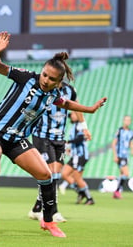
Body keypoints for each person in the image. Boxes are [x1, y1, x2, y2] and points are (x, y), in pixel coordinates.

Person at [0, 31, 106, 238]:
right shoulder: (26, 77)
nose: (46, 80)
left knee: (45, 175)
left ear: (59, 82)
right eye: (44, 75)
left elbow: (66, 103)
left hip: (17, 139)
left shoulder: (53, 94)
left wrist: (90, 109)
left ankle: (48, 221)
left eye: (52, 79)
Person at [28, 81, 91, 222]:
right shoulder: (43, 87)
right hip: (43, 135)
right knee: (52, 172)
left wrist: (84, 127)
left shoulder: (70, 90)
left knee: (53, 174)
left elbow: (77, 108)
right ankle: (52, 211)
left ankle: (37, 208)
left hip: (59, 138)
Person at [60, 111, 95, 205]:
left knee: (77, 177)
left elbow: (80, 138)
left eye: (74, 114)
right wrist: (69, 148)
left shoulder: (80, 125)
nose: (72, 116)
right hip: (75, 155)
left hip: (81, 155)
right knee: (64, 174)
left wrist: (67, 142)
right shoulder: (73, 126)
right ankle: (80, 192)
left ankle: (89, 198)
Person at [111, 115, 133, 199]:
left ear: (130, 122)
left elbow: (130, 142)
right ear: (123, 121)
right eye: (126, 120)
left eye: (129, 120)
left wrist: (132, 149)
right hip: (120, 155)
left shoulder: (131, 132)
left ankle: (117, 193)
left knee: (122, 174)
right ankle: (117, 191)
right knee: (126, 173)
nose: (127, 122)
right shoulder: (119, 131)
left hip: (126, 155)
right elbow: (113, 143)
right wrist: (115, 155)